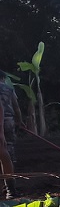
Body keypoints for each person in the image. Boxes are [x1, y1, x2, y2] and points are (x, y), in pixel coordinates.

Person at [0, 70, 20, 199]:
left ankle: (10, 190)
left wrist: (1, 132)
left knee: (3, 152)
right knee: (7, 152)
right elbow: (16, 107)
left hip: (2, 121)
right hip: (9, 120)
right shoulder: (8, 88)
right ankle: (9, 190)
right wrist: (20, 121)